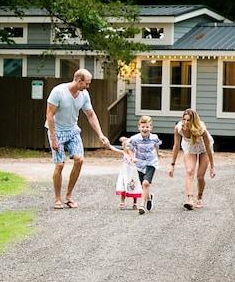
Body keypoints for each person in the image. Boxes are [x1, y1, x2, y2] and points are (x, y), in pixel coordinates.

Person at [45, 68, 111, 209]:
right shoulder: (58, 92)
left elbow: (91, 115)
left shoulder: (84, 94)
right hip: (57, 132)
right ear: (78, 80)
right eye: (86, 83)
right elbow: (49, 115)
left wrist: (101, 135)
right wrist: (54, 138)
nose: (88, 86)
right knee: (60, 164)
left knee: (79, 160)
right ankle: (57, 199)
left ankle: (69, 196)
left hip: (73, 131)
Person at [167, 108, 215, 210]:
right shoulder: (179, 128)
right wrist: (172, 165)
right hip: (189, 147)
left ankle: (200, 197)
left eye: (188, 120)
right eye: (184, 119)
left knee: (200, 176)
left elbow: (208, 147)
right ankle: (189, 199)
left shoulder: (201, 129)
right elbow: (176, 146)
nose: (186, 122)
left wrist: (212, 166)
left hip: (203, 149)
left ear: (193, 121)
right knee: (189, 171)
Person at [127, 115, 161, 212]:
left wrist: (158, 155)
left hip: (151, 163)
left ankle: (142, 205)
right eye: (143, 127)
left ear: (151, 127)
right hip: (139, 164)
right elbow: (129, 148)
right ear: (139, 127)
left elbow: (156, 146)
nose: (145, 129)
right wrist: (132, 157)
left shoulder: (154, 138)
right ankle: (149, 197)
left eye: (147, 127)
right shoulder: (135, 139)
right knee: (143, 184)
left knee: (146, 183)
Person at [113, 137, 144, 213]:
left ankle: (135, 202)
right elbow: (114, 149)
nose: (128, 147)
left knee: (134, 185)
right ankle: (122, 201)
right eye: (126, 146)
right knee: (124, 184)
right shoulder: (124, 153)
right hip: (125, 171)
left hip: (133, 172)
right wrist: (108, 145)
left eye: (129, 146)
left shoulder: (135, 154)